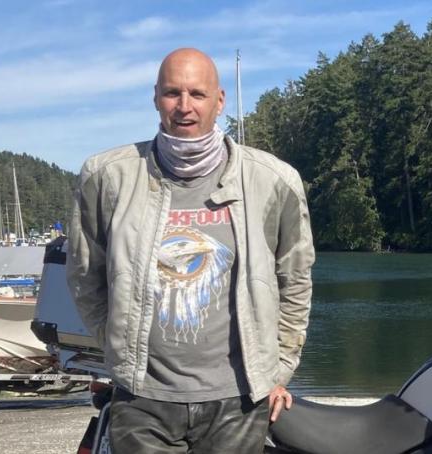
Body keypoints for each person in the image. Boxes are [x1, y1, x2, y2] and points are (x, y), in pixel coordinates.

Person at [66, 48, 315, 453]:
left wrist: (279, 369)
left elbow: (296, 280)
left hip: (238, 400)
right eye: (172, 93)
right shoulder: (107, 176)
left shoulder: (272, 181)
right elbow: (84, 275)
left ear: (219, 101)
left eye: (197, 94)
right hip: (143, 398)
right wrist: (118, 348)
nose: (184, 107)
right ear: (155, 98)